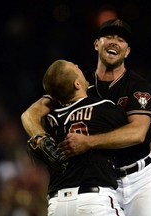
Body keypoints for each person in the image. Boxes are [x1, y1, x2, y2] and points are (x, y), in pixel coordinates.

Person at [21, 18, 151, 216]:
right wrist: (40, 136)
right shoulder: (77, 82)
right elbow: (30, 114)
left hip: (138, 177)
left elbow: (143, 133)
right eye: (109, 36)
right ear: (97, 44)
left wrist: (89, 142)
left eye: (121, 39)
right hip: (101, 181)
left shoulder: (137, 85)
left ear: (127, 51)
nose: (114, 41)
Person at [22, 59, 127, 216]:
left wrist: (41, 137)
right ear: (77, 85)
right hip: (93, 200)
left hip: (56, 204)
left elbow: (29, 114)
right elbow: (146, 131)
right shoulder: (104, 108)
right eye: (76, 68)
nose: (80, 67)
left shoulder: (50, 117)